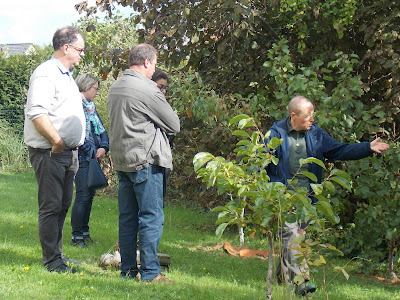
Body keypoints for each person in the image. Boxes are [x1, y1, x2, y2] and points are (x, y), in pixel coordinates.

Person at [266, 96, 389, 296]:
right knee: (291, 237)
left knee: (297, 238)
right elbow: (260, 160)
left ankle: (282, 276)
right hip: (283, 197)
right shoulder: (275, 134)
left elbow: (340, 150)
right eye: (308, 116)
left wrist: (368, 147)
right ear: (293, 116)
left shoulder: (316, 135)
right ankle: (301, 282)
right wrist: (264, 187)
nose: (312, 119)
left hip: (307, 198)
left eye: (313, 115)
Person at [107, 44, 180, 283]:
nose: (154, 69)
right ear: (147, 62)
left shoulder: (115, 87)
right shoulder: (147, 89)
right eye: (155, 63)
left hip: (122, 160)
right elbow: (174, 125)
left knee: (127, 218)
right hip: (145, 161)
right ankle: (150, 273)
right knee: (150, 217)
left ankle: (128, 270)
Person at [24, 26, 86, 273]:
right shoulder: (46, 73)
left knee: (61, 205)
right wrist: (58, 142)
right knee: (50, 207)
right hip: (51, 152)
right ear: (66, 47)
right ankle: (52, 261)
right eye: (80, 50)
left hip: (67, 153)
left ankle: (57, 255)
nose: (83, 55)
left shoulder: (65, 74)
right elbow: (37, 113)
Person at [70, 74, 109, 248]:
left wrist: (104, 147)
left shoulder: (91, 107)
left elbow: (101, 130)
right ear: (85, 87)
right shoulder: (75, 105)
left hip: (93, 157)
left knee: (90, 195)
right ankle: (76, 236)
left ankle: (85, 233)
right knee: (82, 196)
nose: (97, 92)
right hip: (82, 157)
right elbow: (77, 133)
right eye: (95, 88)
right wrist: (93, 151)